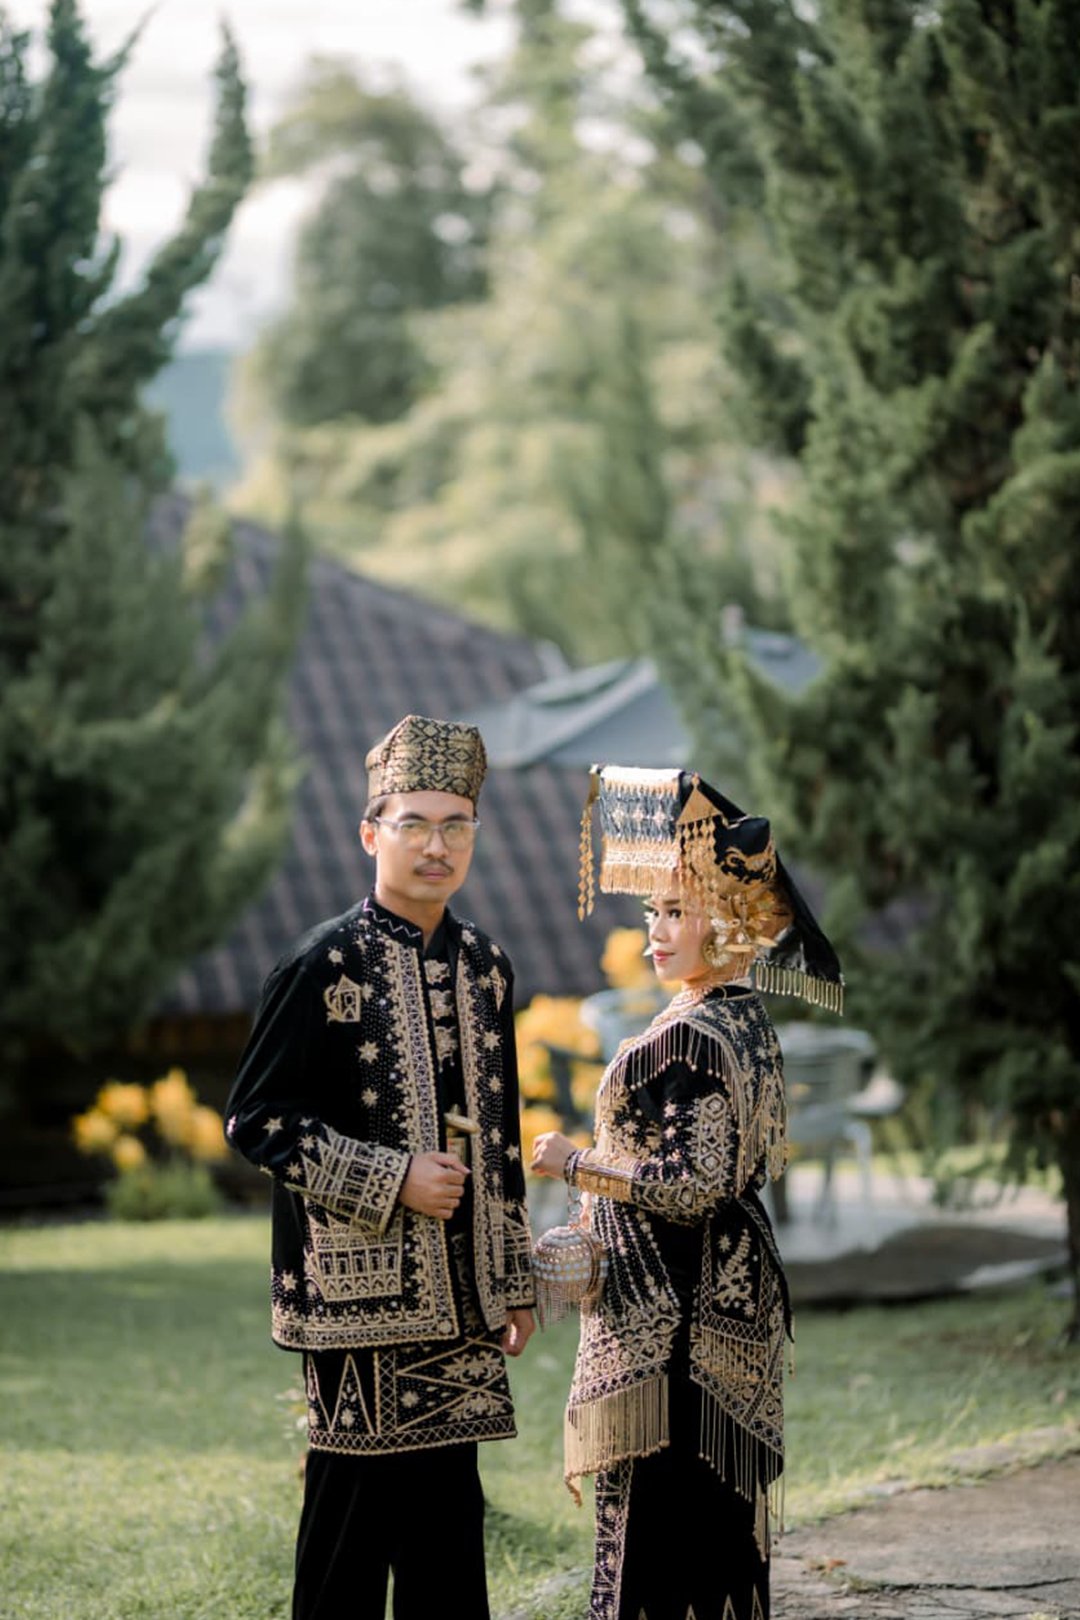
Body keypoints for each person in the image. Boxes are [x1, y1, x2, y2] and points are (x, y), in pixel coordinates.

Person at [225, 714, 536, 1620]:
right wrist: (392, 1176)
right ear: (372, 834)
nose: (437, 846)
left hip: (463, 1301)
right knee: (348, 1546)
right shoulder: (318, 965)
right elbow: (255, 1120)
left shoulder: (487, 968)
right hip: (354, 1305)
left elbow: (500, 1138)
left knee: (449, 1545)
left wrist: (513, 1279)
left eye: (456, 826)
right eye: (415, 825)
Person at [532, 765, 843, 1620]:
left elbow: (692, 1185)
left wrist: (575, 1164)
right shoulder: (739, 1017)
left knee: (665, 1524)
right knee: (705, 1522)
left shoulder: (696, 1036)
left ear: (730, 921)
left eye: (677, 912)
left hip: (677, 1315)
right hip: (714, 1296)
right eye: (652, 913)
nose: (655, 936)